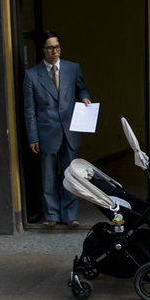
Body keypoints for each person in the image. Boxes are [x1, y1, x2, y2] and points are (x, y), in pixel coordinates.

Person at [23, 30, 91, 227]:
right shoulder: (32, 75)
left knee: (71, 175)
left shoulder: (72, 68)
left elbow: (81, 88)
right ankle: (51, 215)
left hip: (70, 130)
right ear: (43, 50)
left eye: (57, 47)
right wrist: (33, 137)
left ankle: (70, 215)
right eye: (50, 48)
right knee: (49, 176)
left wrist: (84, 97)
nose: (55, 52)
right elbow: (30, 110)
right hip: (46, 133)